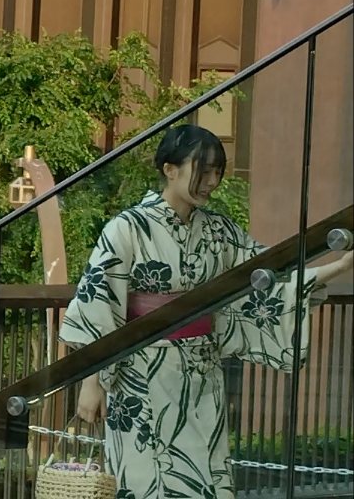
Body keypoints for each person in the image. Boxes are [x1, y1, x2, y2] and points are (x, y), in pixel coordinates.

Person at [62, 123, 353, 499]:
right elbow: (99, 303)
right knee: (146, 482)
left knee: (207, 479)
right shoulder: (127, 227)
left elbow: (269, 276)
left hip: (201, 374)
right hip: (140, 377)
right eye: (203, 170)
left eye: (217, 171)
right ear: (170, 169)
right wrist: (92, 383)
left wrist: (339, 266)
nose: (212, 181)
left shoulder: (219, 231)